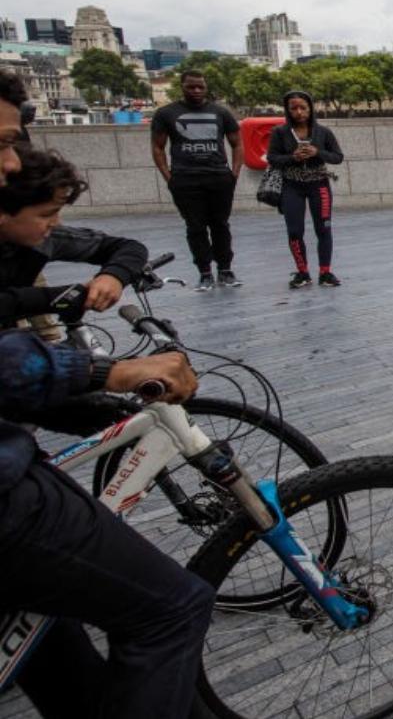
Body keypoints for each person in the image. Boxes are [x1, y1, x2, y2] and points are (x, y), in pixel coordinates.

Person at [0, 71, 212, 719]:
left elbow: (115, 248)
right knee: (172, 608)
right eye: (4, 142)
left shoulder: (43, 232)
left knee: (47, 637)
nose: (12, 161)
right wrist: (108, 374)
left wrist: (101, 281)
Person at [0, 145, 147, 328]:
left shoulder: (47, 239)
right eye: (46, 214)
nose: (55, 222)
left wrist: (113, 275)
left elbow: (126, 247)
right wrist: (60, 297)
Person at [150, 69, 242, 291]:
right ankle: (205, 273)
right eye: (191, 86)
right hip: (185, 179)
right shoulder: (166, 114)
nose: (197, 91)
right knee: (195, 227)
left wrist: (234, 173)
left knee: (220, 225)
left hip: (219, 177)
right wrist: (169, 177)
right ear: (182, 87)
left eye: (201, 86)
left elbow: (237, 144)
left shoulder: (221, 112)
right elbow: (158, 147)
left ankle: (225, 270)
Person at [267, 90, 344, 289]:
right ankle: (302, 273)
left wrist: (317, 152)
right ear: (287, 111)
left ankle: (325, 272)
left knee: (324, 228)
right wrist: (293, 157)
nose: (299, 112)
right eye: (294, 108)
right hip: (292, 185)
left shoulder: (323, 132)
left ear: (310, 109)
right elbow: (272, 158)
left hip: (319, 184)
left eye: (303, 108)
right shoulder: (280, 132)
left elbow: (338, 156)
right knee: (294, 231)